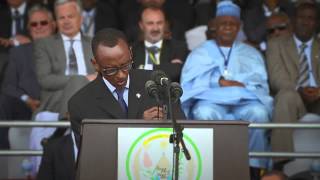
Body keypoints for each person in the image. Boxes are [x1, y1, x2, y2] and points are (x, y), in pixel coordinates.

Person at [180, 0, 273, 177]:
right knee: (204, 113)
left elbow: (260, 83)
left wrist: (238, 85)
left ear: (239, 26)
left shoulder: (250, 52)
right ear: (215, 25)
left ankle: (252, 170)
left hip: (245, 101)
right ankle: (206, 167)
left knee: (259, 113)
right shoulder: (200, 52)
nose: (228, 28)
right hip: (211, 102)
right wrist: (219, 81)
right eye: (223, 23)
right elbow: (189, 83)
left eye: (232, 24)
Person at [68, 28, 186, 146]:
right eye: (111, 70)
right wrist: (138, 125)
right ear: (95, 65)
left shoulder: (157, 83)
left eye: (126, 65)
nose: (121, 75)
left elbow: (182, 131)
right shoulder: (80, 104)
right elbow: (92, 154)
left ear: (130, 52)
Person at [266, 2, 320, 158]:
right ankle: (282, 162)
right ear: (292, 20)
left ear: (316, 23)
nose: (305, 21)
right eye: (301, 17)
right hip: (294, 96)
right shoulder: (276, 44)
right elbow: (276, 77)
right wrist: (299, 89)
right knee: (286, 96)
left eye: (311, 18)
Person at [0, 5, 55, 149]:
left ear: (53, 25)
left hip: (56, 105)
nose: (38, 27)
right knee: (3, 101)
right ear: (29, 28)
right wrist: (27, 99)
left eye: (43, 23)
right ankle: (3, 157)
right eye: (33, 24)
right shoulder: (18, 53)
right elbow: (8, 86)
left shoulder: (64, 49)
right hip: (25, 107)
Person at [33, 0, 96, 119]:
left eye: (70, 16)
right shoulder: (44, 44)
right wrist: (82, 79)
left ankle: (63, 127)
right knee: (78, 83)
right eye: (62, 18)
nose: (66, 21)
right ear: (56, 21)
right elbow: (45, 80)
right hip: (57, 100)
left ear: (81, 18)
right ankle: (65, 123)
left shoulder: (94, 43)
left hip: (91, 97)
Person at [132, 5, 188, 82]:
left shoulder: (179, 47)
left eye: (159, 23)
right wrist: (167, 67)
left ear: (165, 24)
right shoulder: (132, 50)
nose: (155, 28)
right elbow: (130, 76)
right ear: (141, 25)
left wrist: (142, 69)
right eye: (150, 23)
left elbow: (178, 72)